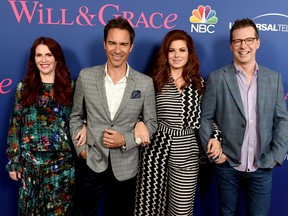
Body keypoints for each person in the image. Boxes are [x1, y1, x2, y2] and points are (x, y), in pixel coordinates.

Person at [69, 17, 157, 216]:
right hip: (92, 160)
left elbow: (152, 123)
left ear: (131, 47)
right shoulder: (86, 76)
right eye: (112, 43)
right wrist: (82, 150)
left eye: (123, 44)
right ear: (104, 44)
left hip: (126, 165)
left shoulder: (144, 83)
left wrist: (126, 139)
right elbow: (75, 116)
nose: (118, 50)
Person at [199, 18, 288, 215]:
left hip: (262, 166)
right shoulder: (217, 78)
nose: (243, 46)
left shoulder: (274, 78)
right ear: (231, 46)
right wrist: (217, 155)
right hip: (227, 164)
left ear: (258, 42)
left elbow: (282, 119)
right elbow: (205, 119)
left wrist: (276, 156)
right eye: (238, 41)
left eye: (249, 40)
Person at [134, 29, 222, 216]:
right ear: (165, 53)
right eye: (172, 50)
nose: (177, 55)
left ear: (189, 53)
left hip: (188, 153)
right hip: (155, 152)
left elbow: (208, 118)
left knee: (181, 210)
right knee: (150, 209)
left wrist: (215, 137)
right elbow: (138, 111)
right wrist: (139, 122)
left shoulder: (199, 83)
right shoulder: (153, 82)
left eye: (182, 50)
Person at [6, 36, 87, 215]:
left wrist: (86, 126)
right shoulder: (23, 88)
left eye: (48, 55)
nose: (43, 60)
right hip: (30, 165)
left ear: (57, 58)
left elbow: (84, 115)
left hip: (62, 166)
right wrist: (14, 161)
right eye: (39, 55)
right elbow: (15, 125)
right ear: (33, 59)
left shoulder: (71, 87)